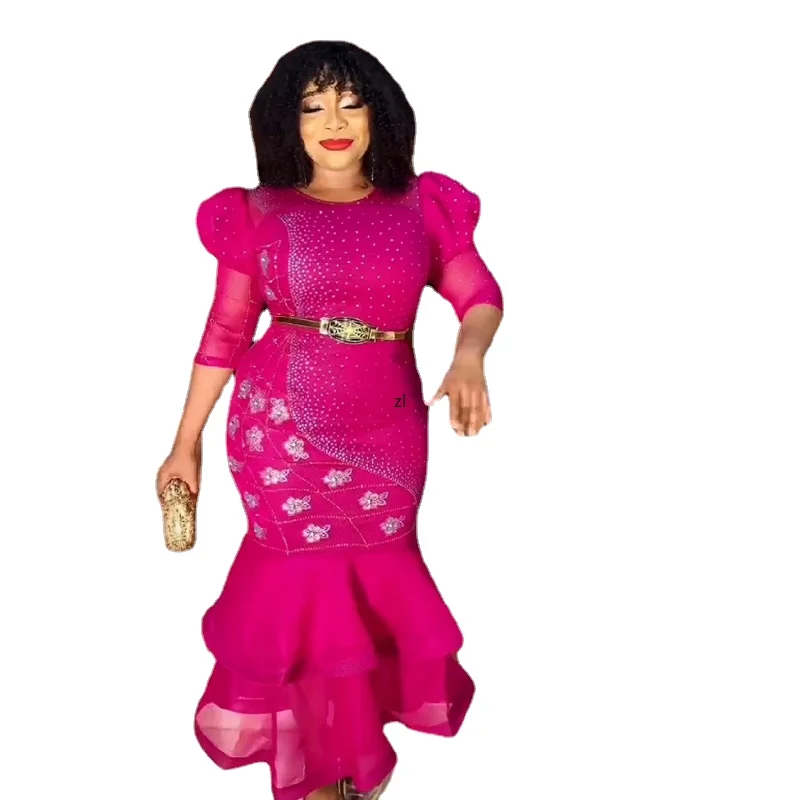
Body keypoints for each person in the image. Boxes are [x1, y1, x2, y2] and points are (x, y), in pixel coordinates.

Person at [156, 39, 503, 800]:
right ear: (288, 122)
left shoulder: (423, 206)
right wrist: (185, 445)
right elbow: (226, 332)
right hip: (278, 430)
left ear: (382, 114)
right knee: (297, 593)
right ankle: (323, 778)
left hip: (389, 433)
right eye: (312, 107)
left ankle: (351, 766)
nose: (334, 122)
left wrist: (469, 355)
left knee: (371, 587)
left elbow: (478, 295)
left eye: (351, 102)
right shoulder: (256, 213)